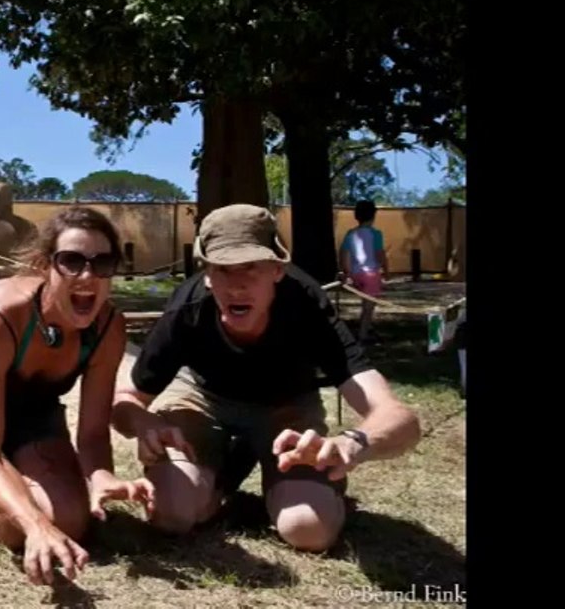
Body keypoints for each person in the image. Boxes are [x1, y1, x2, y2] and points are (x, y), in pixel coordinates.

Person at [111, 204, 421, 552]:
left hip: (286, 408)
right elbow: (128, 400)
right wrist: (143, 422)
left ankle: (304, 485)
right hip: (202, 398)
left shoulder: (306, 305)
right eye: (223, 269)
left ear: (277, 268)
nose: (238, 284)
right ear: (208, 275)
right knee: (171, 515)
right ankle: (224, 476)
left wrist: (352, 445)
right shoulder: (186, 310)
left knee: (308, 531)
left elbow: (400, 418)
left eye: (251, 267)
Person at [0, 206, 144, 585]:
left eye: (103, 263)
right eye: (71, 261)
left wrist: (101, 476)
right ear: (43, 265)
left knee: (72, 521)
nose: (88, 276)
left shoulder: (108, 327)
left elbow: (92, 433)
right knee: (11, 526)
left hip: (35, 416)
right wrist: (35, 524)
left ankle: (11, 481)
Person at [340, 200, 388, 342]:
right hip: (371, 274)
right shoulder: (376, 234)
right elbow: (380, 254)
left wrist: (348, 273)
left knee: (364, 303)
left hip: (356, 274)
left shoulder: (350, 234)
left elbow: (344, 254)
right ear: (373, 216)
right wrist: (386, 271)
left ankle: (367, 328)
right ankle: (362, 336)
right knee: (369, 307)